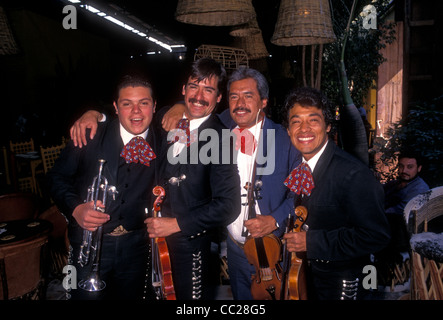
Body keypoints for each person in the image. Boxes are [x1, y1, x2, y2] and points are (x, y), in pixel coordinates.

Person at [68, 58, 241, 300]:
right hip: (147, 246)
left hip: (188, 247)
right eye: (193, 87)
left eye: (209, 90)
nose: (199, 96)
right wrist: (95, 114)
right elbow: (131, 114)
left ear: (219, 97)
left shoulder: (222, 138)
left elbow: (229, 205)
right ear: (183, 90)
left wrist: (177, 224)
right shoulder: (165, 121)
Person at [161, 67, 301, 299]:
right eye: (234, 96)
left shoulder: (285, 139)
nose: (240, 103)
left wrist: (275, 218)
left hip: (273, 250)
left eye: (248, 96)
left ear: (263, 101)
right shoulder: (218, 127)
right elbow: (193, 106)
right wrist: (179, 106)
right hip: (236, 250)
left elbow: (301, 192)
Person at [47, 74, 158, 300]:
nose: (136, 111)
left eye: (143, 103)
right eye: (127, 104)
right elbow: (55, 178)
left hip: (137, 246)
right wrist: (75, 208)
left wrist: (177, 107)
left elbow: (189, 113)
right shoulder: (90, 134)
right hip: (89, 245)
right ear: (116, 107)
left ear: (154, 107)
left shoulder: (165, 139)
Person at [282, 86, 390, 300]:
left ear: (328, 126)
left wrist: (311, 242)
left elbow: (377, 236)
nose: (304, 129)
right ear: (288, 130)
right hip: (310, 279)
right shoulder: (302, 167)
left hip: (342, 284)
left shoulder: (353, 173)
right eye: (296, 121)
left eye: (313, 120)